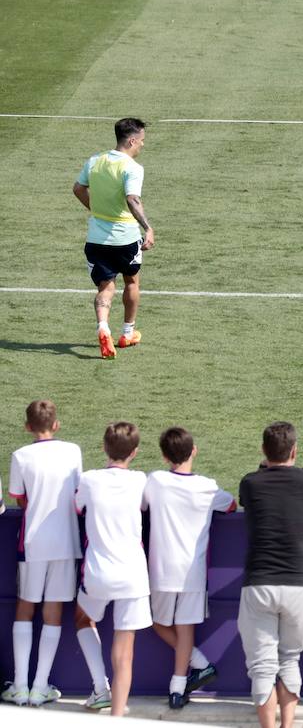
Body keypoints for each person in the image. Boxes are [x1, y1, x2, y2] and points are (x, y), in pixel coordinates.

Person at [237, 422, 303, 728]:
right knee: (290, 660)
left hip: (259, 583)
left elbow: (250, 498)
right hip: (298, 584)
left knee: (263, 668)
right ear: (294, 450)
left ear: (263, 451)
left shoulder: (250, 482)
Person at [144, 427, 236, 709]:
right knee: (183, 630)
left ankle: (181, 683)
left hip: (160, 570)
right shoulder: (207, 486)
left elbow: (143, 506)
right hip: (192, 573)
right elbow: (231, 505)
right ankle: (193, 672)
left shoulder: (155, 481)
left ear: (163, 455)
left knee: (160, 624)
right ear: (194, 450)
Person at [3, 400, 83, 708]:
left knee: (25, 606)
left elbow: (20, 498)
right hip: (66, 542)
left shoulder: (21, 456)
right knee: (52, 612)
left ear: (27, 427)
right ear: (57, 424)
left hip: (34, 542)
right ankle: (39, 688)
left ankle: (21, 687)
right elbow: (77, 494)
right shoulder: (72, 451)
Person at [74, 422, 151, 717]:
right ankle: (116, 717)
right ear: (135, 452)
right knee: (125, 653)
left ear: (105, 448)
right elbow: (146, 507)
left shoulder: (90, 480)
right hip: (133, 576)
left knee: (82, 617)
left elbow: (77, 507)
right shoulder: (140, 480)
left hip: (97, 574)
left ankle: (99, 688)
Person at [73, 117, 154, 360]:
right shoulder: (132, 168)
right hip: (125, 238)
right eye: (141, 141)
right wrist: (148, 228)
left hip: (96, 238)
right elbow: (132, 199)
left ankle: (103, 326)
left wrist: (96, 210)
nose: (142, 145)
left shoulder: (95, 161)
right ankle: (127, 333)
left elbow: (78, 188)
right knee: (131, 282)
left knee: (105, 287)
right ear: (131, 140)